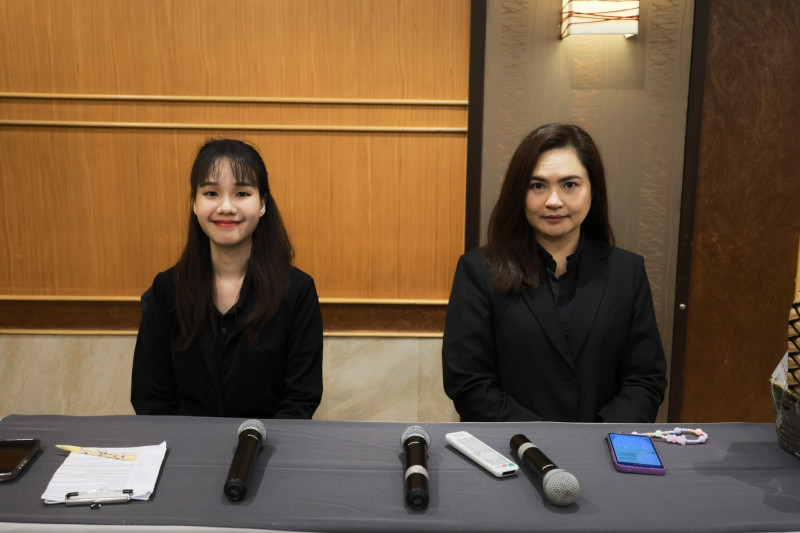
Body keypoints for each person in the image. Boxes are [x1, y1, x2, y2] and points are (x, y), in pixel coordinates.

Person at [442, 123, 667, 423]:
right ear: (519, 192)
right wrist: (543, 440)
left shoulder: (627, 271)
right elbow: (469, 383)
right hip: (513, 446)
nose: (553, 201)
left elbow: (646, 380)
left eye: (569, 185)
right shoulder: (478, 271)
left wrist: (595, 437)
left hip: (602, 445)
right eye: (538, 186)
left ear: (593, 190)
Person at [131, 139, 323, 418]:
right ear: (194, 203)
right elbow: (150, 397)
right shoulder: (166, 289)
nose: (226, 207)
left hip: (268, 443)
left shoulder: (297, 290)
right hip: (183, 443)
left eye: (242, 193)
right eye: (211, 193)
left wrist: (256, 440)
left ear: (262, 204)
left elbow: (301, 398)